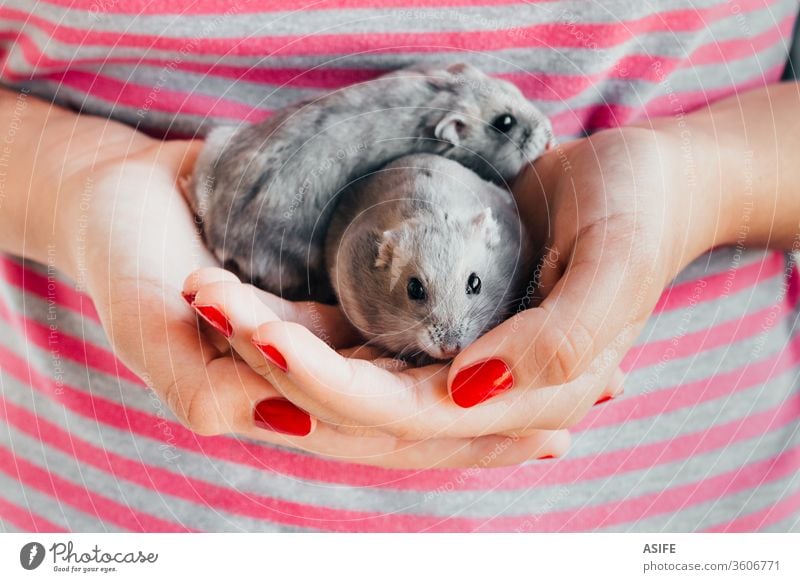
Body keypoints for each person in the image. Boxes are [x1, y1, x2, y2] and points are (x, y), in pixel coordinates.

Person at [0, 0, 798, 532]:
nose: (452, 339)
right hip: (106, 509)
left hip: (684, 508)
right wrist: (81, 193)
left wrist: (703, 181)